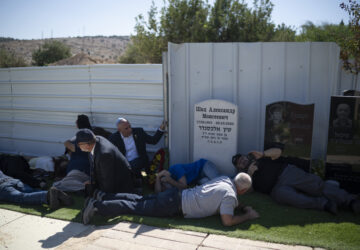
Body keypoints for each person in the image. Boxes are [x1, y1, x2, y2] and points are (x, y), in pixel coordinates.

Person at [81, 173, 259, 226]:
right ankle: (97, 206)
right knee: (133, 207)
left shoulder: (225, 179)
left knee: (139, 200)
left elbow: (228, 197)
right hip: (174, 206)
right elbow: (227, 221)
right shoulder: (229, 196)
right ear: (242, 190)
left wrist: (240, 205)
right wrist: (247, 216)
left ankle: (102, 196)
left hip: (175, 195)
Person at [232, 147, 360, 215]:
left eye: (241, 158)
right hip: (276, 190)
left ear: (246, 156)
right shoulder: (244, 177)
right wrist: (249, 174)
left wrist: (263, 153)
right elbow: (248, 191)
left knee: (317, 186)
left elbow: (278, 151)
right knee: (296, 199)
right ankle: (325, 204)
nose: (242, 161)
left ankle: (349, 200)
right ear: (239, 168)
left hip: (287, 173)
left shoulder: (259, 157)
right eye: (239, 163)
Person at [76, 129, 136, 194]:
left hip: (120, 184)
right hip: (111, 177)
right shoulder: (96, 139)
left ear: (86, 145)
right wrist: (92, 181)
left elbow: (108, 180)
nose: (78, 147)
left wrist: (102, 195)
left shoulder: (104, 154)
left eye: (79, 145)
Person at [53, 115, 92, 192]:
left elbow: (77, 148)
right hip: (81, 170)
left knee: (57, 185)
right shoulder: (87, 134)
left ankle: (87, 187)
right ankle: (84, 185)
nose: (75, 122)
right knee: (62, 182)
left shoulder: (84, 134)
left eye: (76, 121)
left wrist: (67, 143)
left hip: (80, 170)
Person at [0, 170, 72, 209]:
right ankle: (58, 196)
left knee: (21, 197)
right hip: (13, 180)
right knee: (31, 191)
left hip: (3, 187)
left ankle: (47, 196)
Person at [154, 158, 221, 193]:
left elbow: (184, 186)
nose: (165, 189)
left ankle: (231, 178)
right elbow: (158, 192)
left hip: (203, 166)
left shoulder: (175, 169)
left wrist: (170, 180)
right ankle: (231, 179)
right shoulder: (173, 184)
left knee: (219, 181)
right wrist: (157, 177)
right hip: (199, 179)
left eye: (164, 186)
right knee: (215, 186)